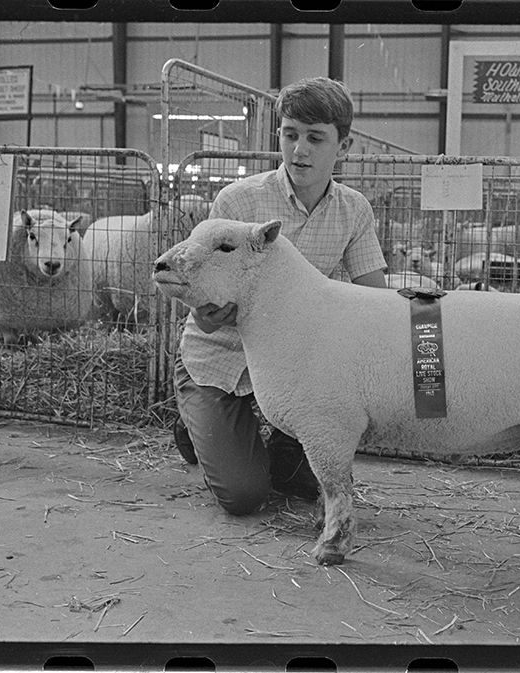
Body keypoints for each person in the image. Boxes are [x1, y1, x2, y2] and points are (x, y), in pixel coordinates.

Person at [172, 76, 388, 515]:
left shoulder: (354, 210)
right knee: (245, 498)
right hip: (223, 357)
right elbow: (205, 316)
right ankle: (193, 423)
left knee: (302, 486)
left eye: (315, 138)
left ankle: (279, 450)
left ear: (343, 147)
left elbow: (376, 297)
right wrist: (220, 310)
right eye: (290, 135)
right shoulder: (237, 203)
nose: (299, 150)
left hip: (297, 365)